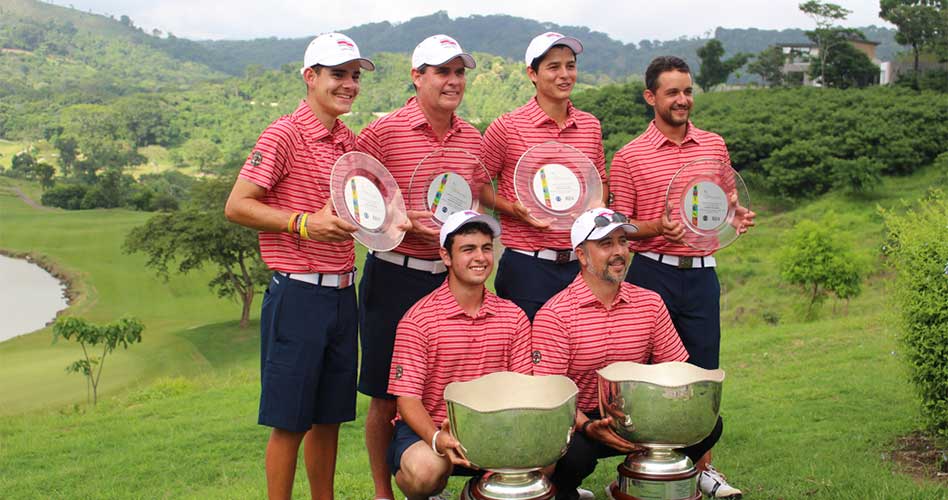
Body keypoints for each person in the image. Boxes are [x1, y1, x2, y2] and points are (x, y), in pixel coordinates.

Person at [223, 33, 373, 500]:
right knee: (290, 420)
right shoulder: (283, 134)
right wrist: (302, 223)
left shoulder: (349, 141)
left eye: (353, 76)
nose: (348, 84)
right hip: (299, 294)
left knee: (329, 417)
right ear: (310, 78)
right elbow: (238, 205)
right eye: (337, 75)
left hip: (342, 293)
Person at [608, 56, 755, 498]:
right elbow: (621, 226)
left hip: (701, 275)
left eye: (687, 91)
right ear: (651, 97)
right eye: (672, 92)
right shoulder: (630, 155)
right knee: (652, 377)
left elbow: (723, 205)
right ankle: (643, 469)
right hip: (651, 274)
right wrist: (657, 227)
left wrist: (736, 216)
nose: (682, 100)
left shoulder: (714, 145)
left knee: (704, 373)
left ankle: (701, 469)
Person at [355, 34, 482, 500]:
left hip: (450, 280)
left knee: (446, 384)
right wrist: (399, 222)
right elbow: (356, 203)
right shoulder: (383, 131)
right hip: (395, 272)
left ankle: (443, 467)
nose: (452, 81)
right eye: (441, 71)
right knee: (385, 392)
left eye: (458, 72)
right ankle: (382, 491)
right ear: (417, 76)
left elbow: (477, 195)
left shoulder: (472, 137)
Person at [531, 208, 722, 500]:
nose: (619, 252)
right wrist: (589, 426)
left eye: (622, 242)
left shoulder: (650, 303)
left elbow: (675, 369)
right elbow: (550, 394)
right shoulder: (556, 315)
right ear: (581, 255)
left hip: (637, 413)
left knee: (708, 425)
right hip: (580, 420)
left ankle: (634, 481)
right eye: (606, 244)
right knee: (574, 456)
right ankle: (564, 492)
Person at [386, 210, 533, 500]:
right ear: (446, 256)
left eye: (486, 248)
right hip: (429, 430)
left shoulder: (513, 316)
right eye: (468, 249)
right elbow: (407, 399)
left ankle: (476, 492)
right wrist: (438, 438)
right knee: (425, 471)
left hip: (495, 427)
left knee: (547, 457)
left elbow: (521, 387)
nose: (480, 257)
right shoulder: (419, 320)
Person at [481, 32, 608, 321]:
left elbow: (600, 181)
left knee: (580, 357)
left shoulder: (590, 126)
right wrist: (512, 209)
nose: (564, 75)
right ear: (533, 74)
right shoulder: (507, 127)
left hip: (581, 264)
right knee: (529, 362)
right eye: (553, 67)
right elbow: (479, 187)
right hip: (528, 268)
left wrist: (597, 205)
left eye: (570, 65)